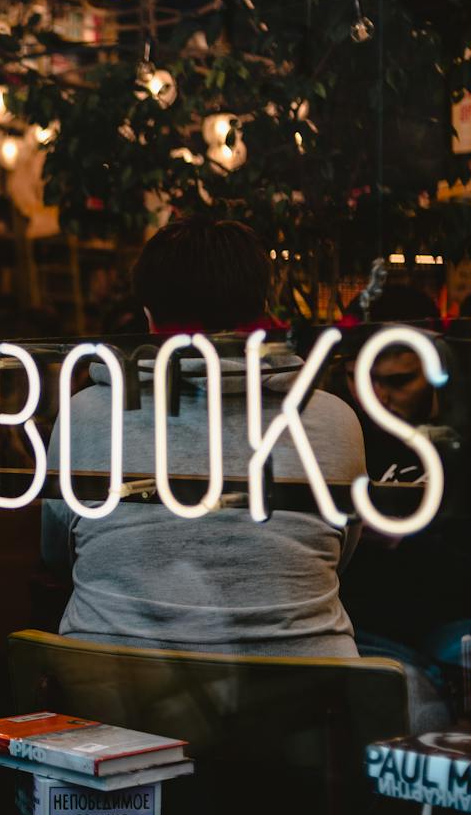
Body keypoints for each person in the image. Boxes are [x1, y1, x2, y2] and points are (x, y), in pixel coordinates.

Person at [42, 217, 367, 657]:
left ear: (149, 317)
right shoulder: (335, 419)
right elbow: (338, 555)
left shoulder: (85, 414)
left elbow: (59, 553)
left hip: (112, 691)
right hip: (300, 699)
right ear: (263, 304)